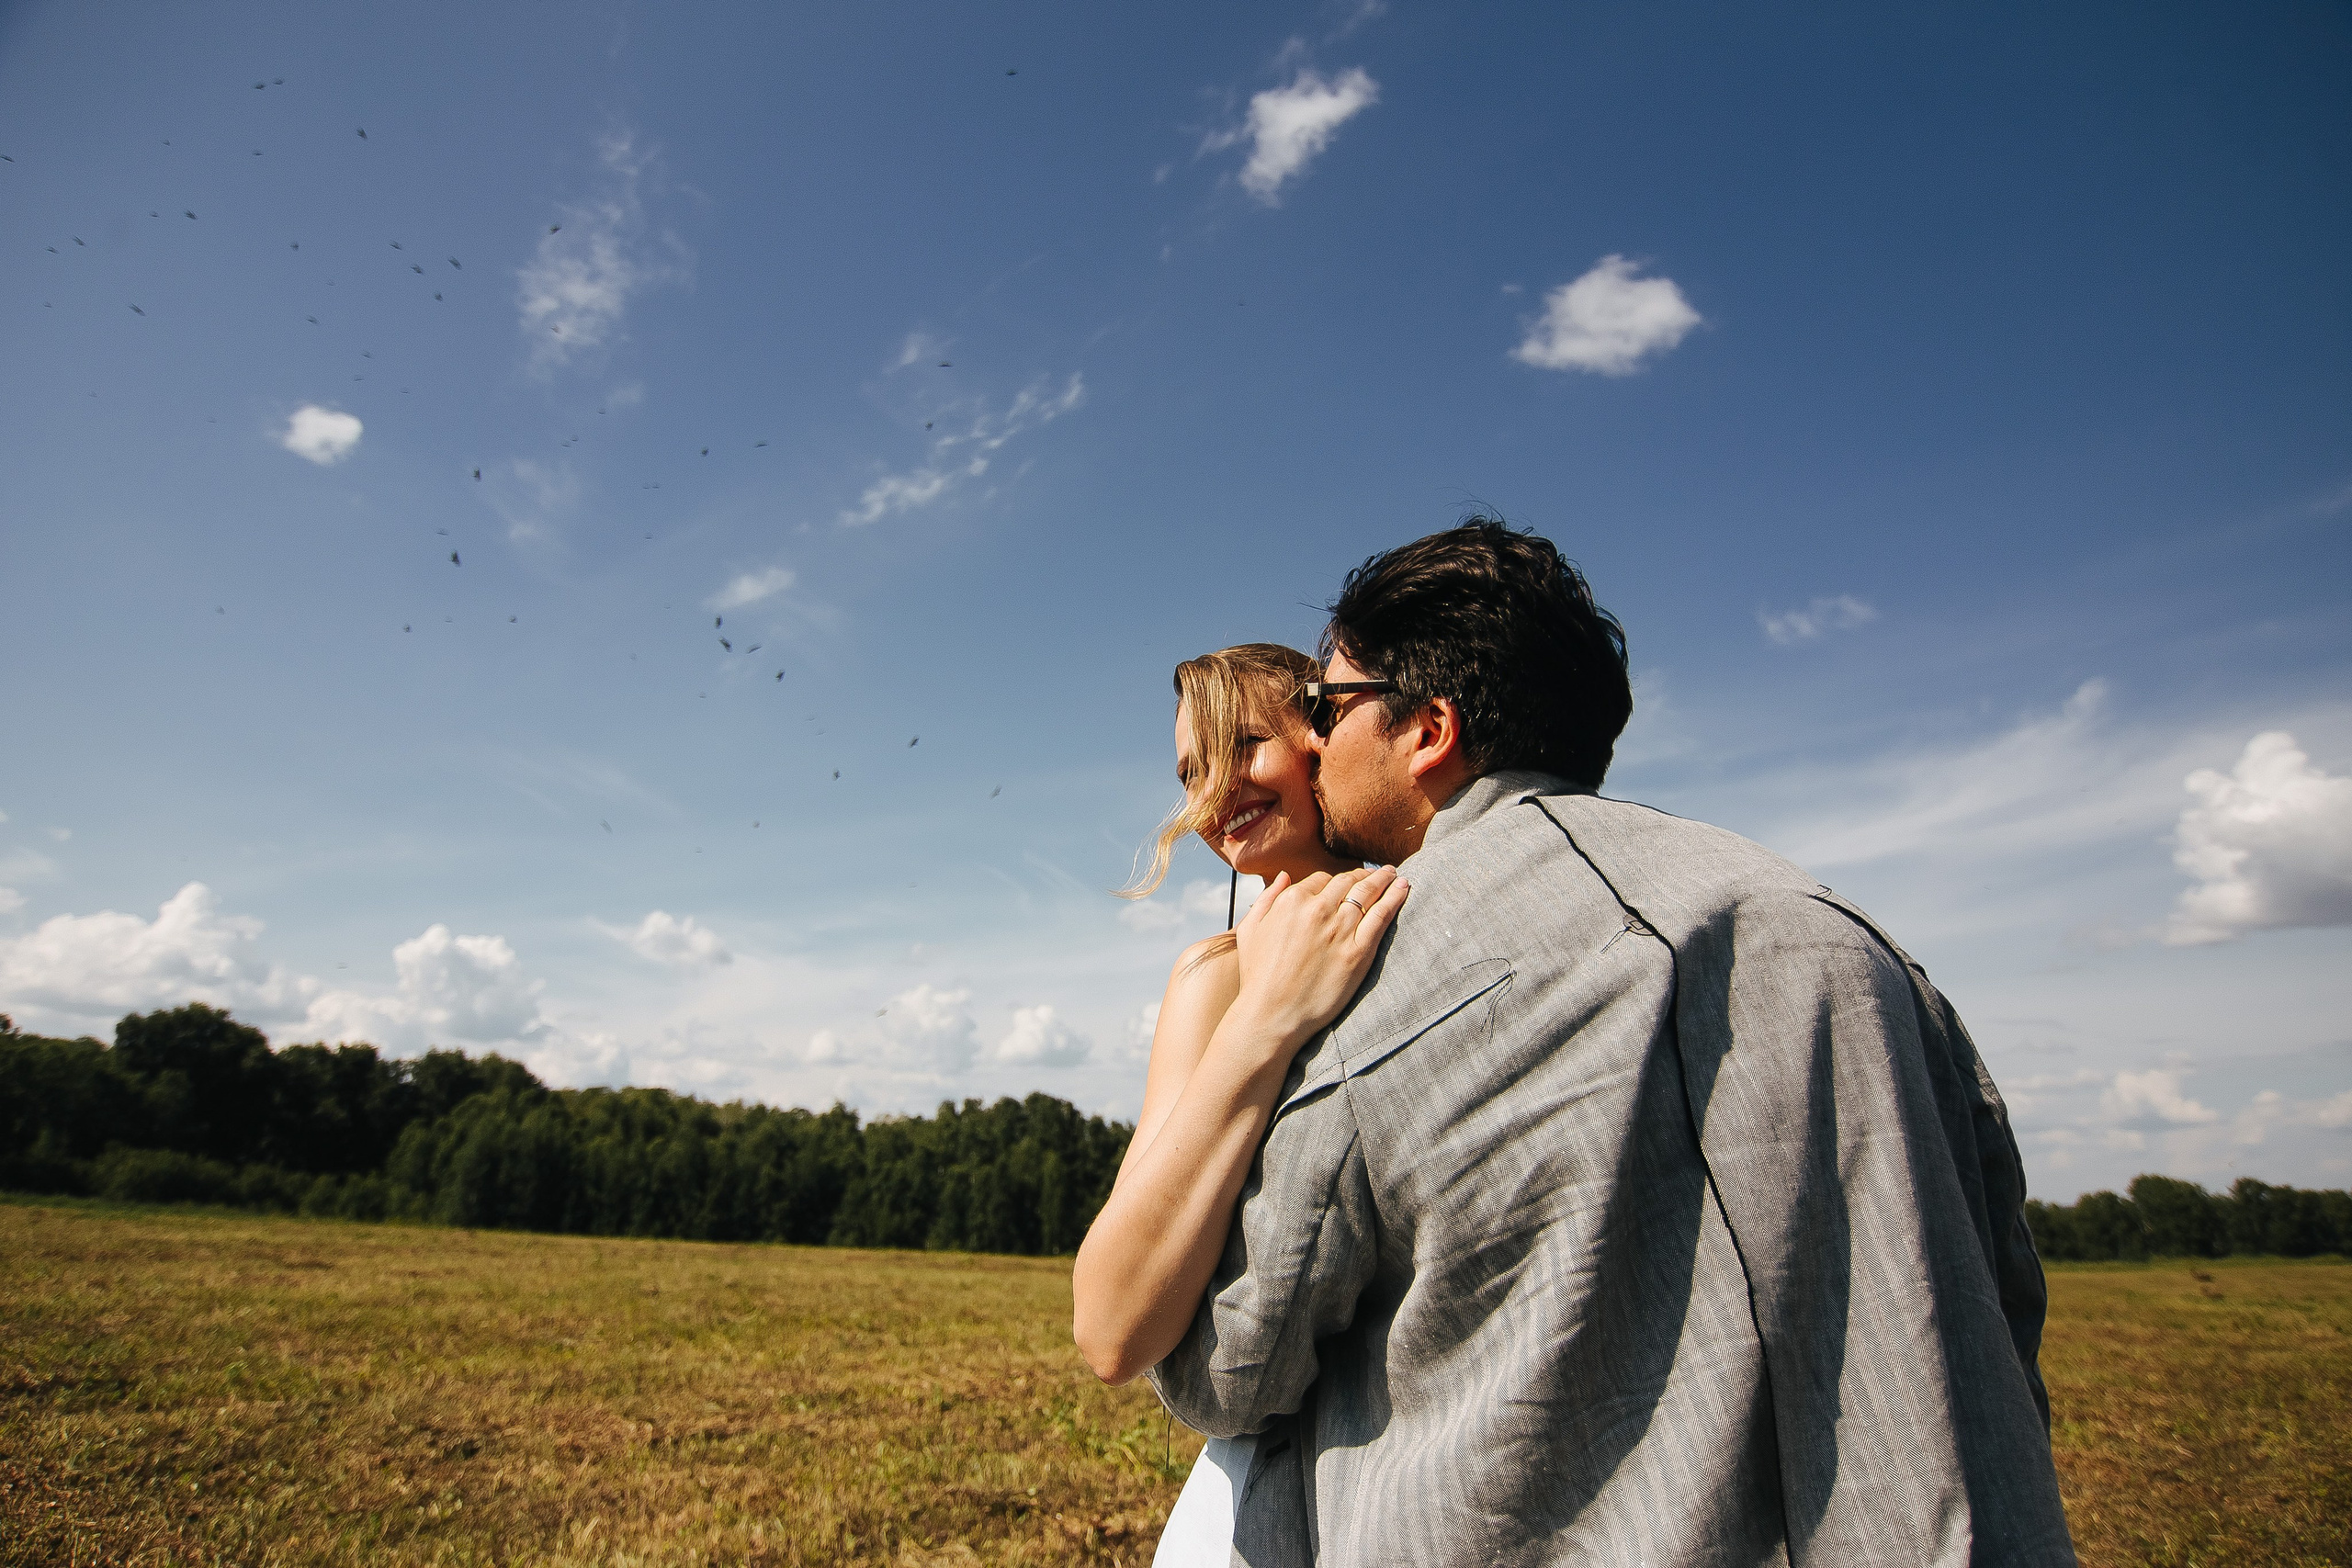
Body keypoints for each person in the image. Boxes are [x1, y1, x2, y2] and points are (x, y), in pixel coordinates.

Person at [1139, 522, 2077, 1566]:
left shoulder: (1371, 972)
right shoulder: (1850, 935)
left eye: (1329, 706)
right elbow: (2001, 1293)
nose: (1315, 742)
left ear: (1429, 729)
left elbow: (1229, 1364)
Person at [1071, 643, 1410, 1565]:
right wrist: (1266, 1018)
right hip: (1266, 1493)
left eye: (1243, 746)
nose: (1215, 792)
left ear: (1324, 735)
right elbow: (1109, 1328)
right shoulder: (1212, 979)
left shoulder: (1434, 919)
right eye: (1192, 772)